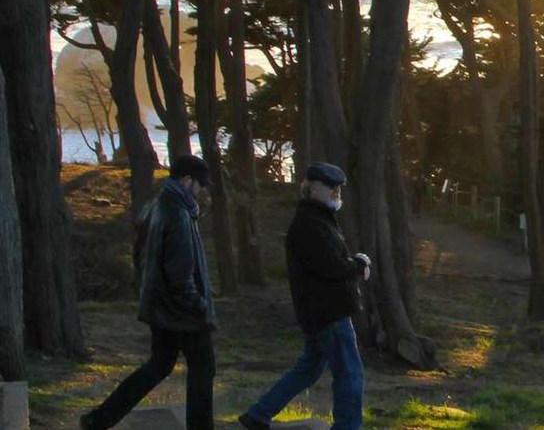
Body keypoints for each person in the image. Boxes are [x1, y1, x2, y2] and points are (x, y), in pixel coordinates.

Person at [81, 154, 218, 430]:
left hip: (161, 307)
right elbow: (180, 274)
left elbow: (142, 254)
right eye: (200, 184)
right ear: (187, 180)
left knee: (158, 367)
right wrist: (199, 306)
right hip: (182, 312)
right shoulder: (178, 213)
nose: (202, 191)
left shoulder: (159, 205)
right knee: (203, 370)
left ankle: (99, 419)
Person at [238, 162, 371, 430]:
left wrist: (352, 262)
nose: (336, 191)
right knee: (349, 374)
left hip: (318, 312)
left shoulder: (318, 219)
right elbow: (330, 267)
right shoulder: (311, 223)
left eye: (338, 187)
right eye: (330, 186)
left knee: (308, 369)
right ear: (311, 188)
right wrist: (358, 264)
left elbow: (327, 262)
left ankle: (257, 414)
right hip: (329, 312)